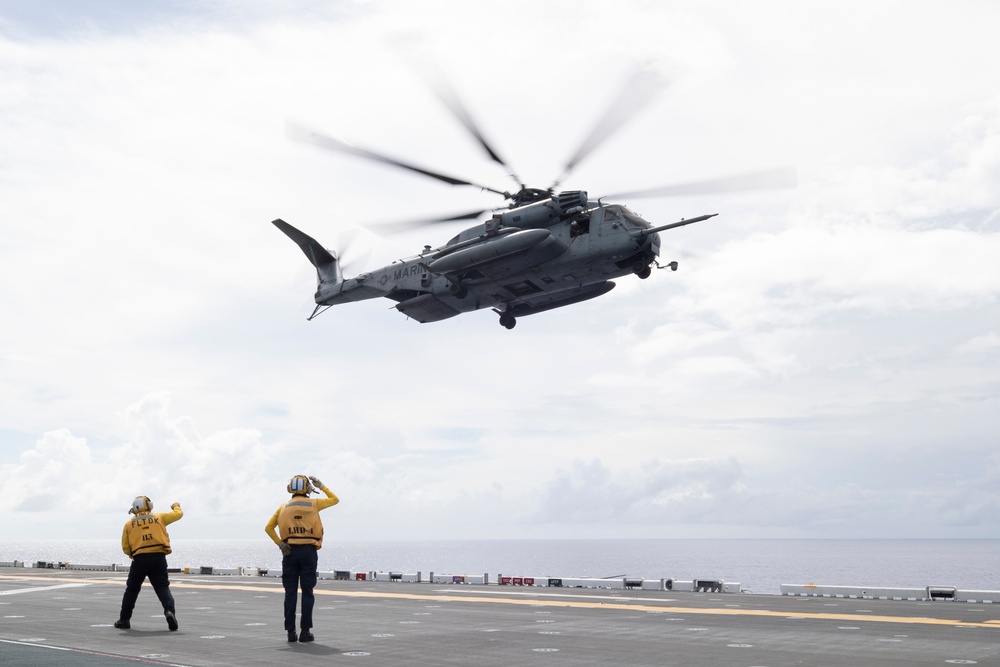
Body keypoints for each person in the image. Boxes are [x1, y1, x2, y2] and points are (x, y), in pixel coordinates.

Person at [264, 474, 339, 643]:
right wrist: (322, 486)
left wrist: (280, 544)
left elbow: (268, 528)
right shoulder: (314, 504)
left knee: (290, 592)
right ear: (307, 489)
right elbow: (335, 500)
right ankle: (305, 632)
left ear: (290, 489)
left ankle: (291, 633)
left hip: (289, 552)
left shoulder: (282, 507)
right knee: (307, 592)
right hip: (308, 552)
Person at [114, 495, 183, 631]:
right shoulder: (159, 517)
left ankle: (124, 620)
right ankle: (169, 611)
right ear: (148, 505)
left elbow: (125, 546)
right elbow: (178, 514)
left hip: (139, 559)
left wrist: (132, 554)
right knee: (162, 588)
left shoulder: (129, 524)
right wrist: (176, 505)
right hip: (158, 557)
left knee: (132, 590)